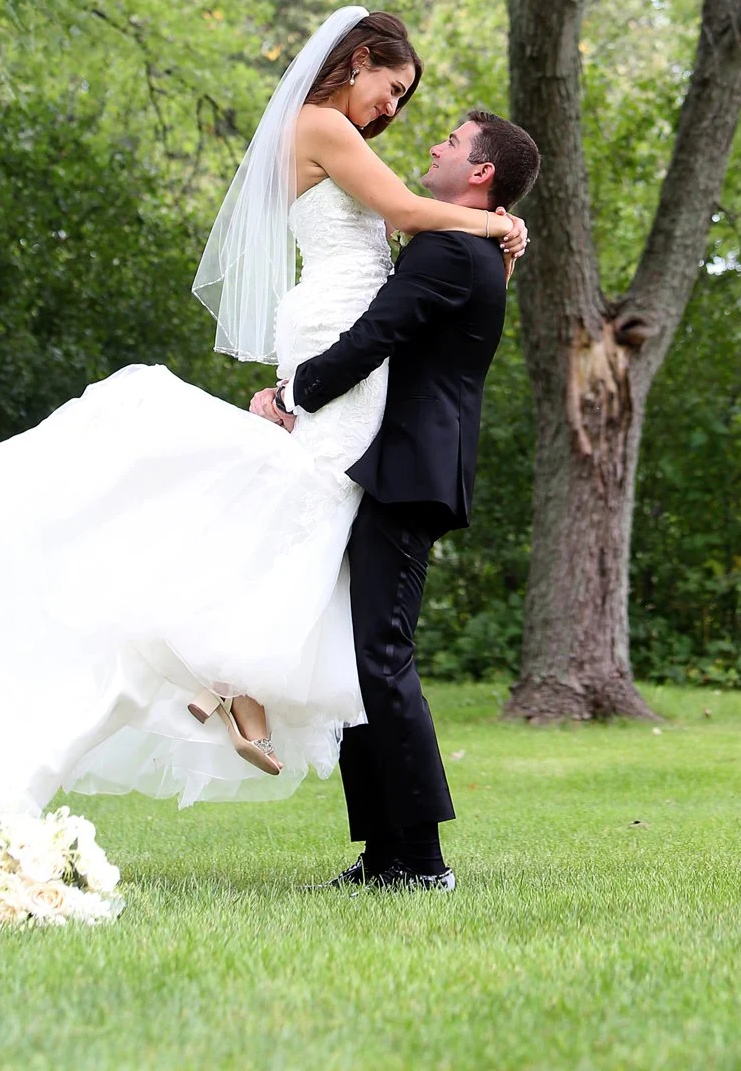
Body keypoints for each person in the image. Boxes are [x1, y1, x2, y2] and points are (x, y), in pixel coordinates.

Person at [0, 7, 527, 903]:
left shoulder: (427, 226)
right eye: (393, 89)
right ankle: (245, 691)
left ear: (479, 172)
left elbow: (413, 292)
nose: (396, 115)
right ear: (360, 59)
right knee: (332, 596)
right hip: (336, 373)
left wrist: (306, 378)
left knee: (346, 617)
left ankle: (260, 705)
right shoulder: (332, 132)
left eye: (419, 114)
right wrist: (497, 228)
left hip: (349, 394)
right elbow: (407, 231)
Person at [251, 108, 540, 892]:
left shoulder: (450, 248)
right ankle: (383, 855)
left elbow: (372, 335)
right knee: (361, 659)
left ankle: (419, 861)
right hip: (394, 464)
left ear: (480, 173)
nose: (434, 146)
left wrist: (290, 392)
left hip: (409, 470)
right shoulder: (466, 244)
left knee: (379, 657)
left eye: (450, 142)